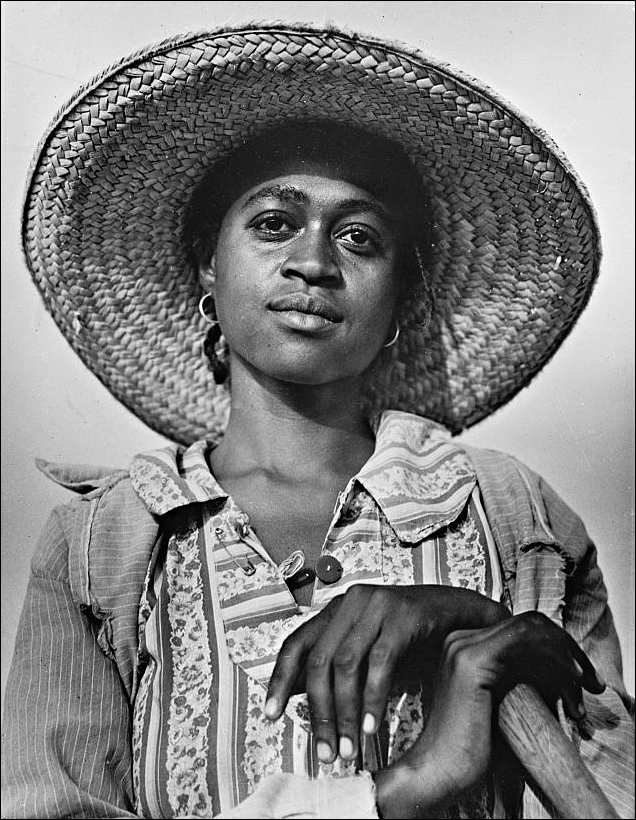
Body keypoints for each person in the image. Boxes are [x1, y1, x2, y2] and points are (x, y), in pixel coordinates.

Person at [2, 21, 633, 820]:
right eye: (274, 224)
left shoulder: (515, 516)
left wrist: (476, 623)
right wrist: (395, 795)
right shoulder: (104, 544)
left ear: (399, 303)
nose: (314, 262)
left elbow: (611, 791)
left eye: (359, 238)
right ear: (209, 268)